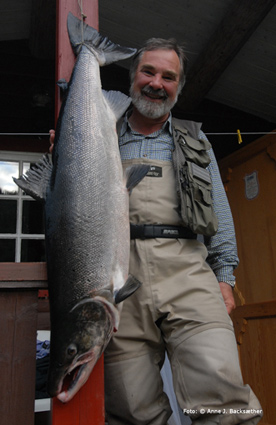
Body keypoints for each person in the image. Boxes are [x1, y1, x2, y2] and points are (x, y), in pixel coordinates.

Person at [50, 38, 262, 425]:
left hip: (188, 274)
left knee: (222, 395)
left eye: (168, 77)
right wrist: (63, 155)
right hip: (118, 282)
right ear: (132, 78)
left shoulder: (196, 140)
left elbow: (221, 213)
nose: (156, 83)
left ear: (178, 88)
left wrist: (225, 277)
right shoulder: (103, 131)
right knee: (132, 409)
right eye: (148, 72)